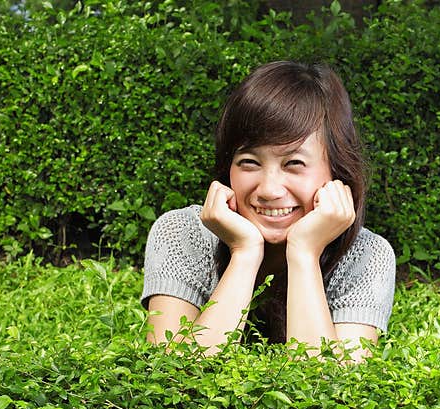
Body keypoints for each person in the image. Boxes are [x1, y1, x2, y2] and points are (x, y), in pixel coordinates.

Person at [140, 60, 396, 362]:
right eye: (249, 161)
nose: (269, 190)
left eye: (293, 164)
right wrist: (245, 253)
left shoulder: (367, 255)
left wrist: (304, 253)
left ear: (336, 173)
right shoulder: (180, 233)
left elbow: (327, 391)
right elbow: (170, 376)